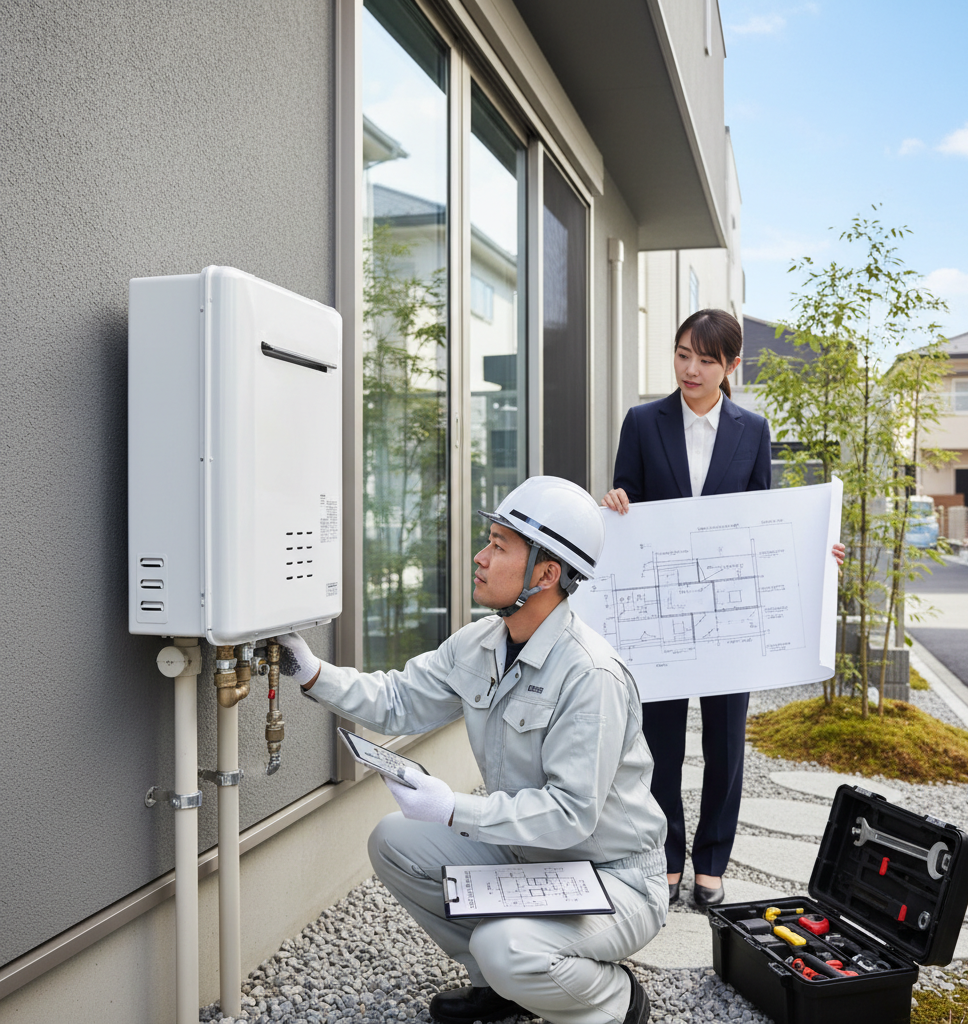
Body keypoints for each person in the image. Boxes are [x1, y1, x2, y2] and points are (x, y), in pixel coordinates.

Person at [276, 475, 668, 1024]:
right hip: (529, 855)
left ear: (546, 574)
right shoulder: (482, 642)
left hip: (613, 878)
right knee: (394, 840)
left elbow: (569, 816)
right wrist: (312, 672)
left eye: (499, 546)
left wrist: (455, 808)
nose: (480, 558)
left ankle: (615, 1002)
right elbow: (397, 700)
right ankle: (503, 990)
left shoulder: (590, 675)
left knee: (507, 946)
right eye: (488, 541)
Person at [602, 308, 843, 909]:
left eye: (706, 360)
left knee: (726, 744)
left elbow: (764, 522)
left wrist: (815, 552)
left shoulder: (752, 430)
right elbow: (625, 496)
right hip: (660, 613)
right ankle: (665, 858)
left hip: (729, 617)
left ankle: (711, 860)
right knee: (659, 744)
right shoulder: (640, 421)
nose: (691, 368)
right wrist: (615, 500)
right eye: (683, 354)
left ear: (731, 365)